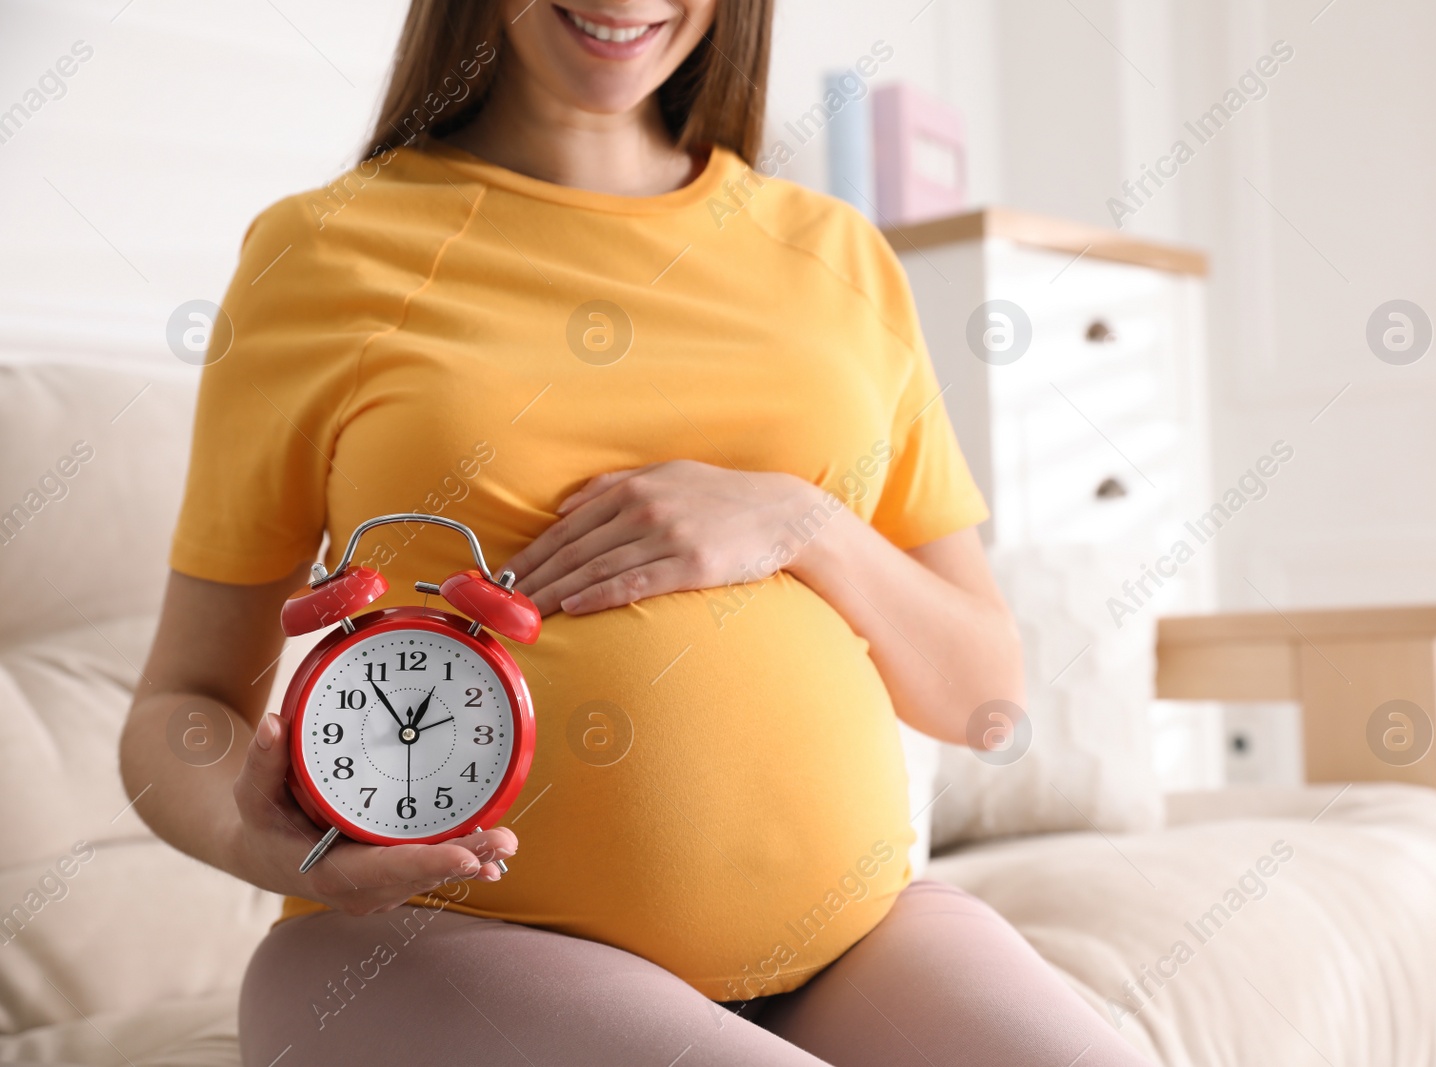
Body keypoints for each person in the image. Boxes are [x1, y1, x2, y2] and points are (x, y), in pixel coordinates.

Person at [119, 1, 1156, 1064]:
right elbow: (180, 705)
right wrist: (263, 840)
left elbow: (985, 697)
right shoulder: (322, 249)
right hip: (435, 945)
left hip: (852, 942)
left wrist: (805, 521)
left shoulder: (837, 254)